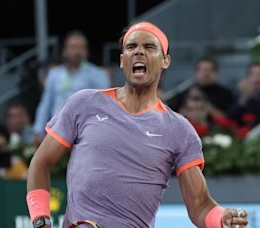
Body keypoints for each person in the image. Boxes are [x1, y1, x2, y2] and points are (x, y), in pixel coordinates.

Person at [26, 22, 248, 228]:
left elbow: (200, 206)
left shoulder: (179, 130)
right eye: (131, 46)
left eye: (149, 47)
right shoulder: (84, 103)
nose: (139, 51)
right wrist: (40, 221)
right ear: (123, 60)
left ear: (165, 60)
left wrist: (222, 218)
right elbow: (41, 163)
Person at [32, 30, 110, 144]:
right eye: (73, 47)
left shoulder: (98, 74)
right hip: (56, 131)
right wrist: (38, 131)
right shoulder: (54, 74)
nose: (78, 51)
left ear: (86, 51)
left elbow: (104, 106)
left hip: (84, 133)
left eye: (81, 47)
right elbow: (46, 103)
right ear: (65, 51)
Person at [169, 57, 234, 118]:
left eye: (208, 70)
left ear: (216, 73)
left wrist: (206, 106)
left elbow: (228, 119)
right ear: (195, 73)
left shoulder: (225, 94)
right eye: (200, 70)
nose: (204, 74)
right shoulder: (185, 93)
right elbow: (173, 116)